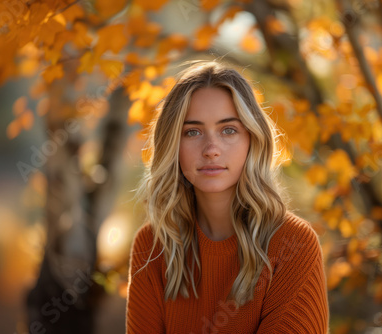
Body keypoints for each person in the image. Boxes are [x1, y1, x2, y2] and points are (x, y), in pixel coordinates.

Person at [126, 60, 329, 333]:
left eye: (229, 130)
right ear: (172, 144)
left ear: (252, 140)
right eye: (192, 132)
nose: (211, 149)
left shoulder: (293, 245)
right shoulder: (151, 246)